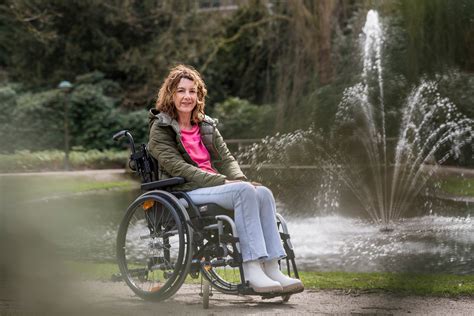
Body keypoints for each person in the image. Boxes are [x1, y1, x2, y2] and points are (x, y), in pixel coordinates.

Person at [148, 64, 303, 294]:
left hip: (213, 186)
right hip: (185, 190)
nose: (187, 96)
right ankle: (252, 270)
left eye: (192, 91)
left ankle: (272, 268)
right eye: (181, 91)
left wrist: (239, 178)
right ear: (171, 94)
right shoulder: (160, 128)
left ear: (198, 96)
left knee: (262, 192)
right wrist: (223, 182)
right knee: (243, 191)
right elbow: (179, 168)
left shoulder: (206, 125)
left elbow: (227, 158)